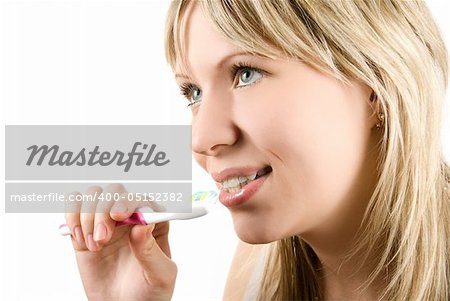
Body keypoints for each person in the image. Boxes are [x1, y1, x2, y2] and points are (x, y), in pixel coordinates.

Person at [65, 0, 450, 300]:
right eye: (193, 93)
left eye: (246, 73)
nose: (201, 139)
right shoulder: (257, 275)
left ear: (376, 88)